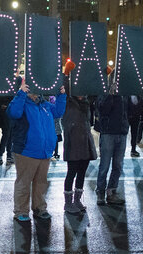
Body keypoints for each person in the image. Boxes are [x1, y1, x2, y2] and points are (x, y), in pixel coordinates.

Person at [8, 76, 66, 221]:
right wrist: (21, 93)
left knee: (41, 183)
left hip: (44, 151)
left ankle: (40, 208)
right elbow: (13, 113)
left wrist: (61, 95)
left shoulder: (44, 105)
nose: (35, 92)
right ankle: (21, 211)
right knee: (24, 182)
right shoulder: (22, 103)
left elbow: (58, 112)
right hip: (27, 151)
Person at [61, 77, 97, 214]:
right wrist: (66, 74)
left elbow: (96, 91)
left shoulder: (86, 103)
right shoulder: (68, 102)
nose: (81, 93)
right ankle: (68, 203)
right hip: (73, 142)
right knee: (71, 173)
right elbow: (64, 88)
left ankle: (77, 200)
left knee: (82, 172)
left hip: (85, 142)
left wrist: (106, 77)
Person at [94, 72, 129, 205]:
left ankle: (112, 191)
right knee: (105, 165)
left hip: (122, 132)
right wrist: (110, 95)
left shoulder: (125, 93)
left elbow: (133, 110)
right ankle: (101, 192)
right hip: (108, 132)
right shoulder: (104, 91)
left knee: (118, 165)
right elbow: (102, 109)